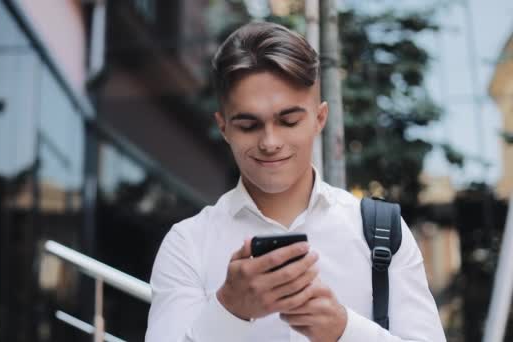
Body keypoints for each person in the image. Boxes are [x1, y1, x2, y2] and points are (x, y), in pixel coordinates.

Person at [145, 22, 446, 342]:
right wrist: (229, 309)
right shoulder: (188, 244)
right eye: (249, 125)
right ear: (224, 128)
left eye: (288, 121)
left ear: (319, 119)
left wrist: (344, 330)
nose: (270, 142)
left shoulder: (380, 231)